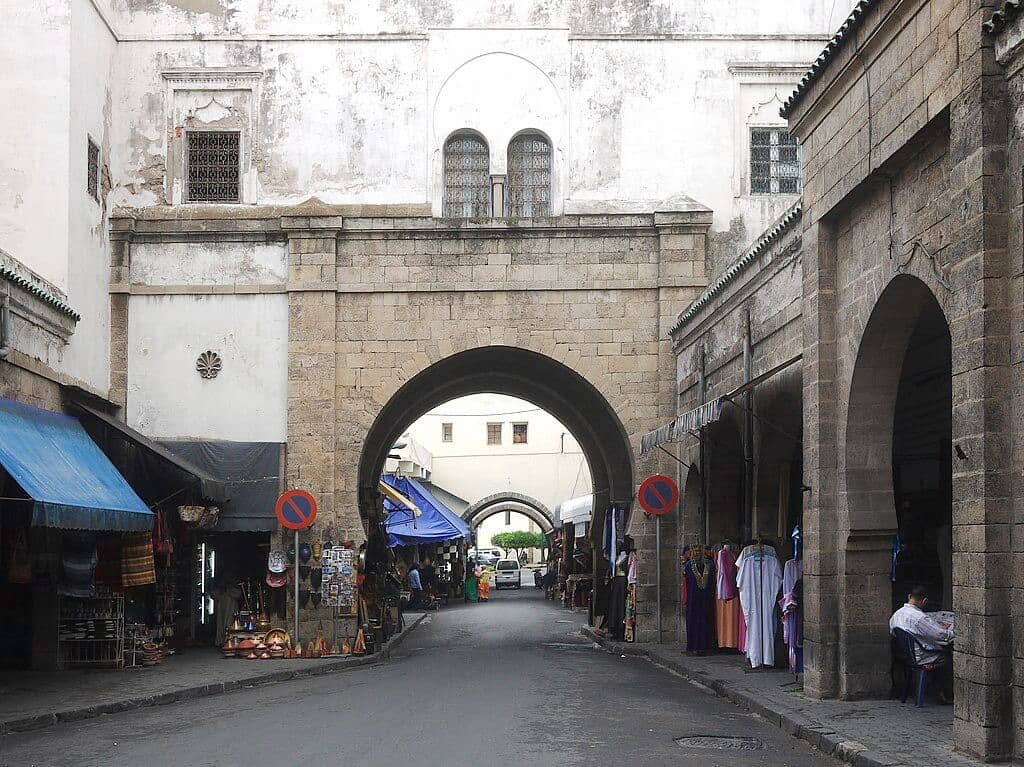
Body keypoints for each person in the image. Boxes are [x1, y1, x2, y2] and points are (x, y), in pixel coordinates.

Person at [890, 585, 954, 701]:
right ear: (924, 601)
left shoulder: (896, 615)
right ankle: (945, 693)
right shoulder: (919, 618)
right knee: (949, 656)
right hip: (921, 656)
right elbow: (942, 635)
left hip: (905, 654)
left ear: (909, 596)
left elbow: (893, 633)